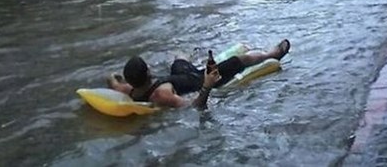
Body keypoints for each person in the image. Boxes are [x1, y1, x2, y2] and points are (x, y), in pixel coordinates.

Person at [106, 39, 291, 110]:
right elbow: (194, 107)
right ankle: (272, 54)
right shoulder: (161, 94)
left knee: (178, 56)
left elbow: (111, 79)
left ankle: (195, 55)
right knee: (239, 60)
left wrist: (118, 76)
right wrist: (207, 85)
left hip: (180, 75)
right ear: (148, 72)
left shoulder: (128, 89)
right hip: (199, 79)